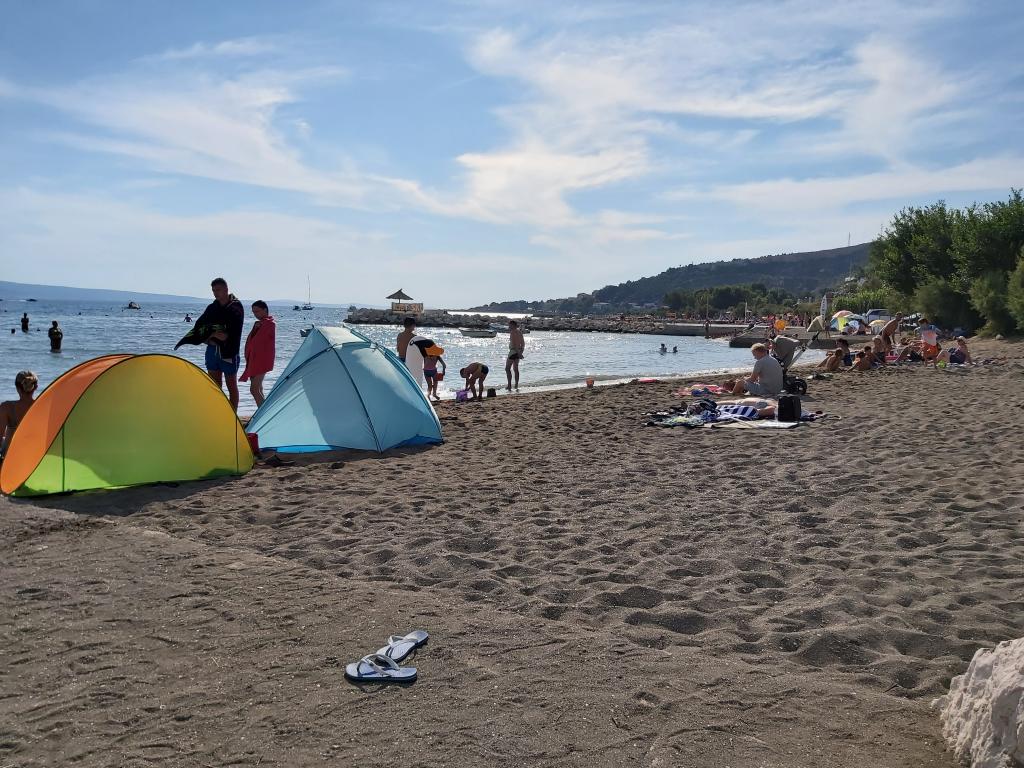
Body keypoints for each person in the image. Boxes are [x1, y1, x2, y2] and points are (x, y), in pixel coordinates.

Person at [202, 278, 245, 412]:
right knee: (215, 386)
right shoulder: (212, 307)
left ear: (226, 290)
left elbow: (229, 333)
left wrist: (215, 334)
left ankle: (233, 415)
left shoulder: (235, 307)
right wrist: (209, 337)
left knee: (231, 385)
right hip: (212, 350)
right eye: (213, 291)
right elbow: (201, 329)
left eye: (218, 290)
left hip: (229, 351)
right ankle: (218, 413)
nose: (215, 293)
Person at [239, 300, 276, 408]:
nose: (255, 314)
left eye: (257, 311)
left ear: (265, 310)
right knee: (259, 389)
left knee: (254, 389)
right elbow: (252, 341)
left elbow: (261, 342)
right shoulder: (259, 324)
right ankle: (263, 412)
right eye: (254, 312)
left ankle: (263, 413)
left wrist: (259, 326)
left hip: (262, 361)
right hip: (253, 360)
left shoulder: (270, 324)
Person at [0, 371, 38, 462]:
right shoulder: (43, 406)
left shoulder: (7, 407)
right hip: (36, 456)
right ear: (36, 387)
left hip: (11, 458)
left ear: (17, 388)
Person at [506, 320, 525, 391]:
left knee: (507, 368)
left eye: (510, 325)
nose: (509, 326)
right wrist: (521, 352)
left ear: (513, 325)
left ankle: (509, 385)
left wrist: (519, 353)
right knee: (515, 369)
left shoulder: (512, 332)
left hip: (513, 351)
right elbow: (523, 343)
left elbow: (514, 344)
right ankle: (516, 385)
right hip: (519, 351)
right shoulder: (520, 332)